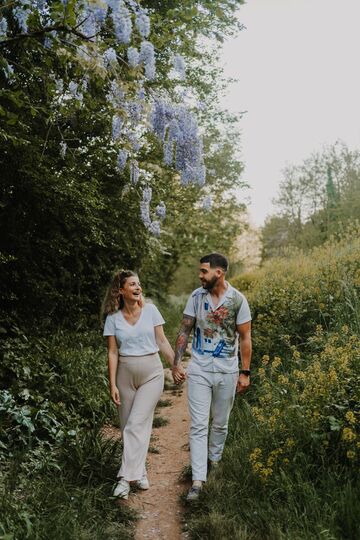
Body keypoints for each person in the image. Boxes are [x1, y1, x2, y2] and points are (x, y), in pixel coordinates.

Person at [172, 253, 252, 501]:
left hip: (228, 370)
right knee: (198, 425)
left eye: (204, 271)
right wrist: (176, 364)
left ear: (219, 272)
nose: (200, 275)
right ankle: (198, 480)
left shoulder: (238, 300)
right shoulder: (196, 297)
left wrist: (245, 372)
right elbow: (185, 330)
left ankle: (214, 461)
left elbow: (246, 338)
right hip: (199, 370)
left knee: (220, 423)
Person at [103, 269, 175, 499]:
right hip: (125, 375)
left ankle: (124, 479)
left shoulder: (151, 310)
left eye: (139, 284)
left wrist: (175, 365)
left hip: (152, 374)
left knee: (136, 423)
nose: (137, 287)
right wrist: (112, 383)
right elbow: (112, 352)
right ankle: (140, 471)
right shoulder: (112, 319)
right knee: (129, 427)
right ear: (120, 290)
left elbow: (162, 341)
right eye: (132, 284)